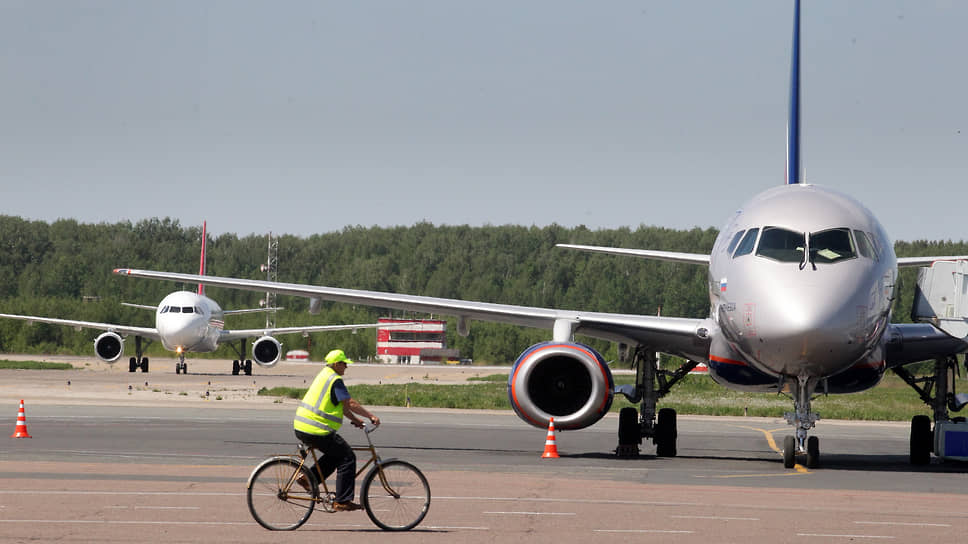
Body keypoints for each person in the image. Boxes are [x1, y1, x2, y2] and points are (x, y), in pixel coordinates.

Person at [293, 349, 380, 512]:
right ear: (336, 364)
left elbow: (342, 406)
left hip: (303, 426)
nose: (346, 366)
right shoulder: (335, 379)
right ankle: (343, 500)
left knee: (335, 455)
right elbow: (350, 403)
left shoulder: (324, 375)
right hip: (315, 429)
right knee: (348, 457)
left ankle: (308, 480)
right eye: (344, 363)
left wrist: (356, 420)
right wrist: (371, 416)